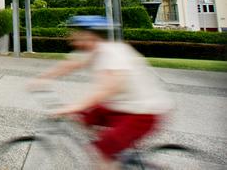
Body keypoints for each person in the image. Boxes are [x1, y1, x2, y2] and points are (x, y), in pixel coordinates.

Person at [28, 16, 173, 169]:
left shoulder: (113, 54)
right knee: (81, 119)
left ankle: (108, 157)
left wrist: (72, 107)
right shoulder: (93, 51)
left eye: (77, 35)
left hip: (142, 112)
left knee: (103, 152)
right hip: (118, 106)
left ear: (89, 36)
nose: (73, 39)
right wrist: (42, 79)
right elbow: (70, 64)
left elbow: (106, 90)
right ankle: (115, 151)